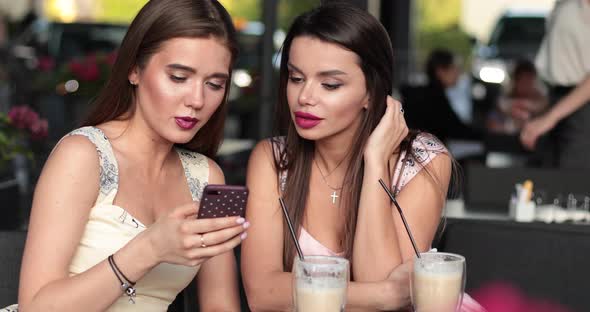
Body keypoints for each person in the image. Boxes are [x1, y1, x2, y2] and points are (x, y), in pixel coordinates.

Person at [13, 1, 248, 311]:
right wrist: (150, 248)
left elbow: (221, 305)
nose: (197, 99)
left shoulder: (207, 177)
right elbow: (34, 307)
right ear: (134, 69)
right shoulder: (83, 156)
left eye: (215, 84)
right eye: (179, 77)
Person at [241, 4, 456, 311]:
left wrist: (375, 164)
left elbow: (380, 288)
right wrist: (384, 295)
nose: (305, 98)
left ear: (371, 92)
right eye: (296, 78)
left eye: (330, 84)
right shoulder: (272, 160)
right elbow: (262, 294)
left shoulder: (422, 161)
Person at [520, 0, 590, 168]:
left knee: (572, 185)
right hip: (564, 105)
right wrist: (542, 107)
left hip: (581, 116)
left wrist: (549, 118)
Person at [403, 49, 482, 143]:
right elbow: (457, 129)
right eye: (454, 68)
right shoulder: (434, 98)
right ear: (440, 71)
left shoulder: (429, 94)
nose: (458, 73)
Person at [488, 59, 548, 134]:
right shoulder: (504, 101)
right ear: (515, 81)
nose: (525, 86)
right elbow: (492, 126)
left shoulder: (543, 103)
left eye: (528, 81)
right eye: (522, 81)